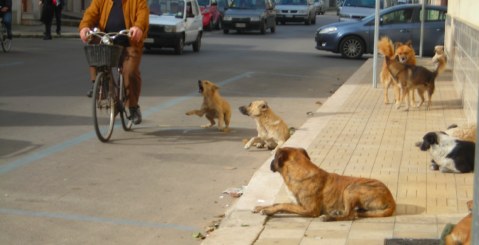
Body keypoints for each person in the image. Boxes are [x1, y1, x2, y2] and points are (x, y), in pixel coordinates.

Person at [79, 0, 149, 125]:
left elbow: (143, 15)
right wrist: (84, 27)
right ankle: (99, 84)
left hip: (130, 42)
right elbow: (91, 13)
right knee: (95, 48)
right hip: (107, 41)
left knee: (130, 72)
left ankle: (133, 107)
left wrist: (138, 27)